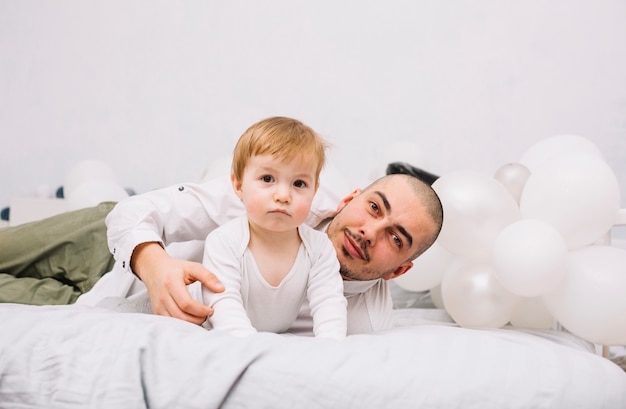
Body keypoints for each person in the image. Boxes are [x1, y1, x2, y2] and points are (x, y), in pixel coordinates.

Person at [0, 119, 444, 336]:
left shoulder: (362, 324)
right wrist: (154, 265)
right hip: (103, 242)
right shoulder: (281, 198)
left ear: (399, 270)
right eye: (373, 207)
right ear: (350, 198)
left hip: (98, 303)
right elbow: (135, 212)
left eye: (396, 238)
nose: (371, 230)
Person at [187, 117, 346, 339]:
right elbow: (223, 303)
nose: (283, 196)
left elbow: (329, 302)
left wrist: (331, 346)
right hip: (205, 325)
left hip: (267, 337)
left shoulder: (319, 248)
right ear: (239, 185)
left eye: (299, 184)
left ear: (314, 190)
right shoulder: (225, 241)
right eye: (268, 178)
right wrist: (252, 345)